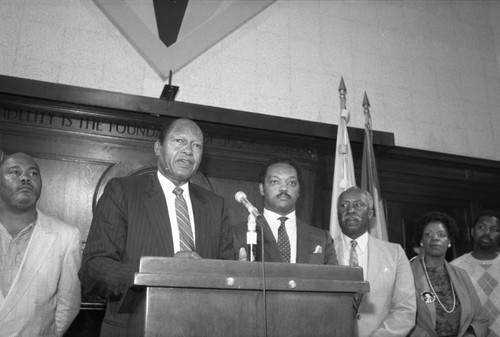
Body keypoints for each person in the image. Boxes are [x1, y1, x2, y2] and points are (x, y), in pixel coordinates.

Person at [79, 118, 234, 336]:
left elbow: (225, 270)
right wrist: (157, 273)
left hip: (202, 327)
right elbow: (94, 267)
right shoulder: (123, 192)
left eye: (196, 145)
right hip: (135, 327)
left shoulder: (216, 205)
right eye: (179, 141)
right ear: (158, 147)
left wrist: (237, 272)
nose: (188, 151)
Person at [0, 152, 81, 336]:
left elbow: (68, 303)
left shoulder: (66, 236)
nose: (25, 178)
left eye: (33, 173)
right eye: (14, 172)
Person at [333, 186, 416, 337]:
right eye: (344, 205)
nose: (350, 210)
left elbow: (405, 310)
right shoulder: (323, 250)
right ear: (337, 212)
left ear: (370, 213)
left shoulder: (395, 253)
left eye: (358, 205)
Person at [233, 158, 338, 264]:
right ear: (262, 189)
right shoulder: (237, 235)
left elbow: (334, 279)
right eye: (275, 182)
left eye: (291, 183)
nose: (284, 188)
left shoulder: (321, 238)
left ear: (299, 191)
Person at [409, 211, 489, 337]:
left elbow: (481, 320)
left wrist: (470, 335)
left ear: (449, 242)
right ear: (421, 241)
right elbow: (402, 319)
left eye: (441, 234)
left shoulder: (461, 275)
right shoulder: (407, 274)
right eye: (428, 234)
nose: (435, 238)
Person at [451, 210, 500, 337]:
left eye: (494, 229)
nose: (487, 233)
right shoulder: (455, 268)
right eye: (482, 227)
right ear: (472, 232)